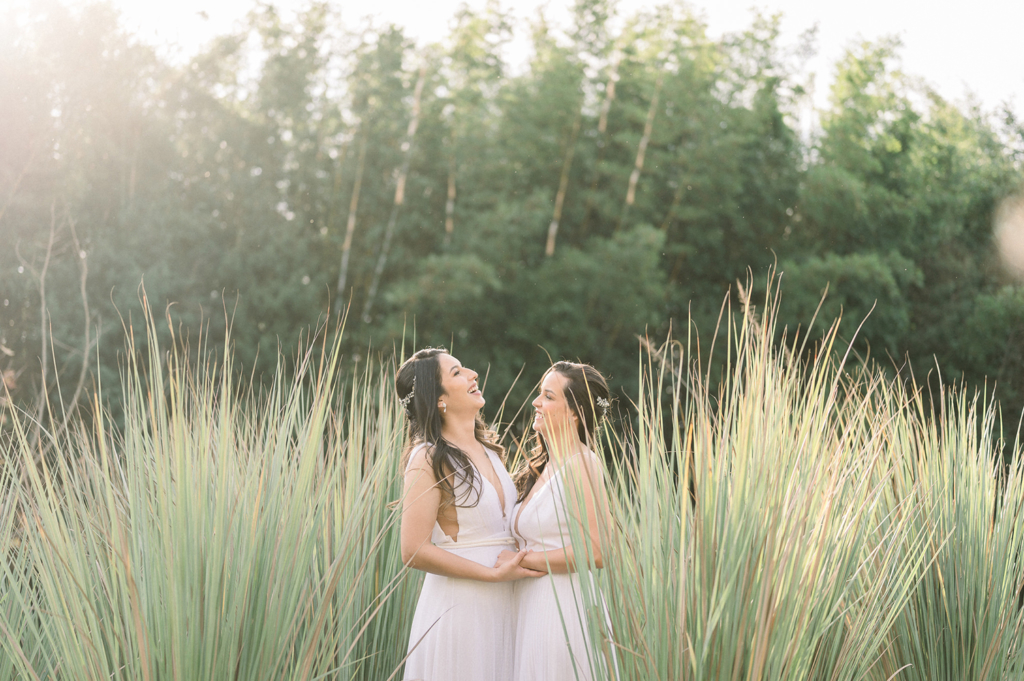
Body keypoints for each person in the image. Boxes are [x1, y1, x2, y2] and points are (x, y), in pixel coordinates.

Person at [397, 348, 542, 681]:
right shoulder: (427, 458)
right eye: (457, 373)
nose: (473, 374)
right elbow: (413, 550)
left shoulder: (490, 451)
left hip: (507, 603)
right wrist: (491, 575)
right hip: (462, 608)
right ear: (437, 400)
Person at [507, 361, 617, 681]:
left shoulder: (583, 463)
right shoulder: (541, 467)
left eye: (548, 396)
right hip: (529, 605)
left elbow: (596, 551)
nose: (536, 403)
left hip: (561, 608)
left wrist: (521, 561)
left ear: (574, 412)